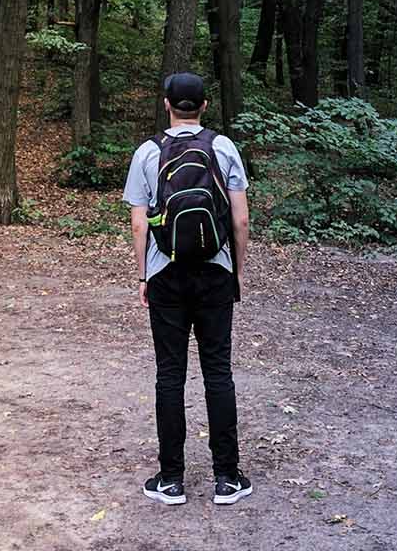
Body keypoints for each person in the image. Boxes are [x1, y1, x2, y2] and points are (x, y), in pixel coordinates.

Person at [123, 72, 252, 506]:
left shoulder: (147, 152)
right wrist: (236, 270)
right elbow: (241, 220)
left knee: (169, 374)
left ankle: (171, 480)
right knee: (218, 371)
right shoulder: (223, 147)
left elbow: (140, 222)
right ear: (204, 105)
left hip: (166, 275)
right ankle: (227, 478)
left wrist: (144, 275)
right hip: (215, 272)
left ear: (167, 105)